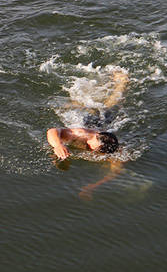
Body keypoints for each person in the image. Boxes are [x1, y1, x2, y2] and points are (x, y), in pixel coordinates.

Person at [46, 70, 129, 199]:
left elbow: (116, 171)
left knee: (112, 107)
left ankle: (120, 83)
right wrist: (57, 145)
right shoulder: (80, 134)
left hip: (103, 126)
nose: (89, 145)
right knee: (99, 106)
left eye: (93, 148)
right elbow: (52, 131)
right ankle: (122, 81)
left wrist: (93, 186)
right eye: (91, 143)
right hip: (87, 120)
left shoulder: (113, 149)